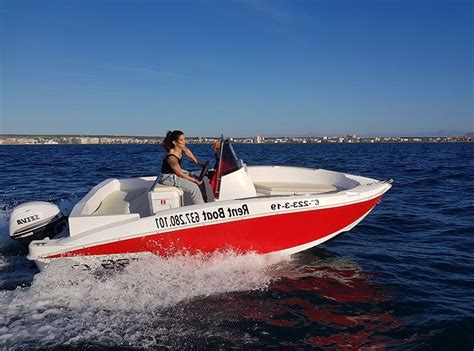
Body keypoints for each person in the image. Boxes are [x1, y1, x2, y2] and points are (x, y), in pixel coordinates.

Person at [157, 130, 206, 204]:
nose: (184, 142)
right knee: (194, 188)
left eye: (184, 139)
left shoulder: (180, 148)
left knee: (200, 180)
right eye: (181, 140)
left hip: (175, 173)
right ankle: (202, 208)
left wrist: (197, 162)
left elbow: (187, 151)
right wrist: (194, 181)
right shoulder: (171, 158)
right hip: (167, 178)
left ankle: (205, 202)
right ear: (174, 142)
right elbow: (180, 174)